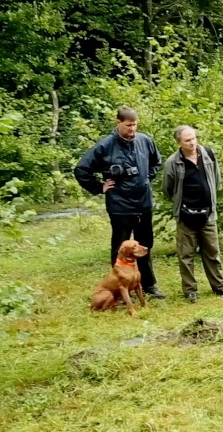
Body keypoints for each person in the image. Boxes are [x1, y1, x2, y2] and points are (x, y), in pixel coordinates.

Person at [75, 107, 166, 299]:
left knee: (144, 245)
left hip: (143, 202)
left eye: (135, 125)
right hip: (120, 205)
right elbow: (81, 170)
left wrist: (146, 178)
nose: (132, 129)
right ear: (118, 123)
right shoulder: (105, 146)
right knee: (120, 247)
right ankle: (121, 287)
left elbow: (156, 161)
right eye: (128, 125)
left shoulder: (144, 140)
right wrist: (99, 187)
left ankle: (149, 285)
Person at [162, 125, 223, 303]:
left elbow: (217, 179)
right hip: (185, 215)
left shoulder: (208, 154)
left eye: (194, 138)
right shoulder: (172, 162)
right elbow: (168, 189)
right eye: (187, 140)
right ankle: (190, 291)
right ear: (179, 142)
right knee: (186, 255)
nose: (192, 143)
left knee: (212, 253)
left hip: (208, 213)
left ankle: (220, 287)